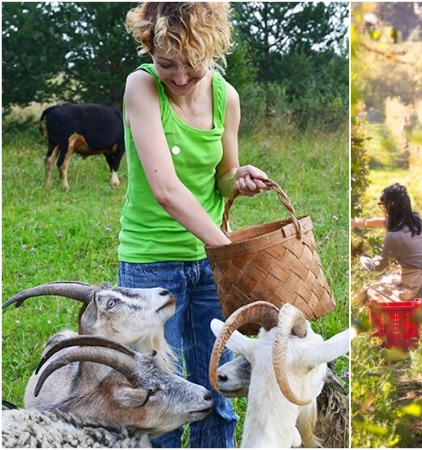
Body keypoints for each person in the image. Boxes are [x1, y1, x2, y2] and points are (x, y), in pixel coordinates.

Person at [119, 3, 268, 447]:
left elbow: (223, 177)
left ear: (213, 49)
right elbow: (165, 189)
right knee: (158, 397)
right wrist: (229, 250)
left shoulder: (227, 97)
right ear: (149, 49)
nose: (180, 77)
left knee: (215, 387)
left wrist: (237, 179)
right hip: (150, 265)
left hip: (207, 264)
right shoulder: (141, 87)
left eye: (193, 66)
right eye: (167, 63)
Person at [351, 183, 422, 311]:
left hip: (421, 291)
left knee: (370, 293)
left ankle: (401, 321)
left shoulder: (394, 237)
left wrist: (360, 256)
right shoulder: (416, 221)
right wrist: (360, 223)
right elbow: (388, 222)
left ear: (388, 207)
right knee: (388, 282)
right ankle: (417, 317)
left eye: (382, 205)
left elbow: (377, 266)